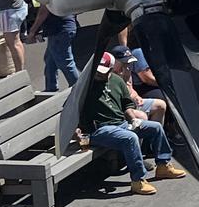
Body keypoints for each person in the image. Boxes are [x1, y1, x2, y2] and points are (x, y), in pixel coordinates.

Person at [78, 51, 185, 195]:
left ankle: (163, 165)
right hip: (99, 129)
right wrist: (76, 131)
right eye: (97, 71)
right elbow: (71, 109)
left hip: (120, 124)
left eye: (103, 72)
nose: (99, 75)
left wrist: (133, 119)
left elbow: (126, 104)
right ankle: (138, 180)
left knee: (156, 127)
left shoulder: (117, 81)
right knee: (130, 138)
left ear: (111, 69)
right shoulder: (85, 85)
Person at [27, 0, 81, 91]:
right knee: (50, 60)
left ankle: (80, 89)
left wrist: (33, 31)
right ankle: (51, 89)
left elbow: (43, 12)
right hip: (64, 26)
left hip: (59, 29)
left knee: (66, 62)